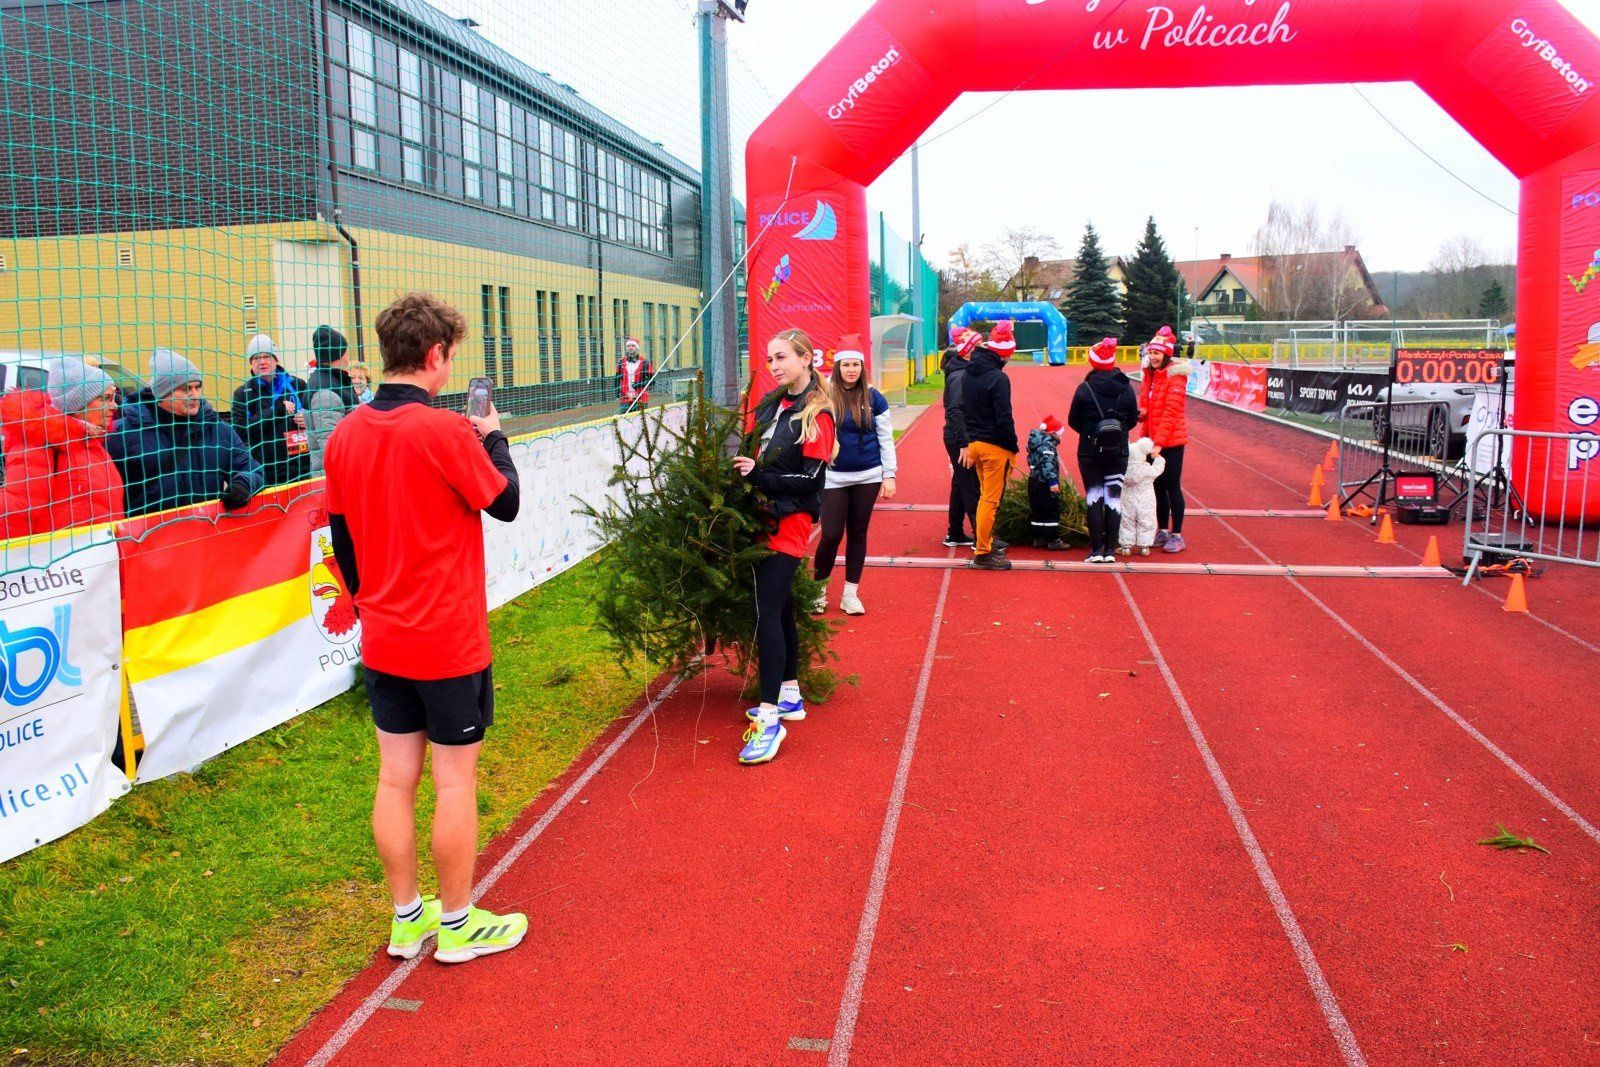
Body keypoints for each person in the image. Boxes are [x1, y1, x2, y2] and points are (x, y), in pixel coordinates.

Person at [323, 292, 525, 964]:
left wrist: (371, 603)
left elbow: (342, 540)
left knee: (393, 780)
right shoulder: (445, 432)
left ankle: (408, 918)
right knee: (454, 782)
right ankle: (459, 923)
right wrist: (493, 434)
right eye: (449, 359)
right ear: (435, 356)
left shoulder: (344, 434)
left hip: (385, 637)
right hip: (446, 638)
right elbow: (507, 501)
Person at [733, 328, 836, 766]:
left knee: (767, 615)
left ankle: (770, 722)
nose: (774, 366)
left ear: (806, 359)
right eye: (770, 358)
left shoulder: (819, 413)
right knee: (782, 611)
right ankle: (790, 694)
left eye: (782, 358)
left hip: (787, 524)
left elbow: (812, 481)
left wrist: (757, 474)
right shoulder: (776, 404)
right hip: (762, 517)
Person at [110, 349, 263, 517]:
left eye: (197, 387)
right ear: (163, 393)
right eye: (185, 389)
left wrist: (243, 484)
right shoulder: (122, 434)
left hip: (206, 531)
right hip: (150, 537)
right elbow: (109, 495)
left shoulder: (218, 429)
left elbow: (252, 469)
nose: (195, 395)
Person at [0, 356, 124, 537]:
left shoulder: (92, 442)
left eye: (113, 397)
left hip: (98, 558)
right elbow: (15, 512)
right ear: (78, 404)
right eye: (105, 398)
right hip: (63, 560)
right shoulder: (40, 444)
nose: (114, 405)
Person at [813, 346, 895, 616]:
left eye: (856, 365)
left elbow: (885, 437)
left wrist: (889, 475)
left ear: (862, 368)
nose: (851, 370)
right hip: (834, 477)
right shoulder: (824, 395)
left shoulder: (874, 397)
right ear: (837, 367)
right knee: (831, 534)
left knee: (858, 533)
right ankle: (818, 590)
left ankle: (850, 594)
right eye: (846, 365)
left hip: (868, 476)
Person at [1068, 337, 1139, 564]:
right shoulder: (1126, 388)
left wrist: (1090, 433)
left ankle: (1096, 550)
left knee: (1094, 498)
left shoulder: (1085, 388)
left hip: (1090, 452)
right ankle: (1111, 550)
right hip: (1118, 453)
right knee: (1114, 499)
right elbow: (1133, 419)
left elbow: (1073, 420)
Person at [961, 320, 1019, 571]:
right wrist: (1012, 446)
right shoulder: (998, 378)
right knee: (990, 501)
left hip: (976, 442)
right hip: (995, 446)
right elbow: (1004, 417)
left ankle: (986, 542)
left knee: (985, 497)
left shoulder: (969, 373)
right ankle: (983, 551)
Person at [1139, 325, 1193, 553]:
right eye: (1151, 353)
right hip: (1153, 441)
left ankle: (1177, 534)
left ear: (1167, 354)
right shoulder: (1150, 375)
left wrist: (1158, 444)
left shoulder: (1176, 378)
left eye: (1157, 353)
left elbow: (1171, 413)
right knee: (1157, 487)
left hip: (1170, 443)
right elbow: (1147, 403)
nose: (1153, 357)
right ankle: (1161, 530)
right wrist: (1140, 417)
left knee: (1172, 487)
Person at [231, 334, 311, 487]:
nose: (262, 362)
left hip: (300, 468)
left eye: (266, 357)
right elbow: (241, 431)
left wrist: (307, 419)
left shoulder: (297, 384)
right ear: (251, 363)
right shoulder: (243, 393)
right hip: (266, 472)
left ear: (276, 360)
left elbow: (315, 416)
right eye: (256, 358)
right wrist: (276, 410)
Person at [941, 328, 982, 548]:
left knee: (960, 484)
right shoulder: (960, 376)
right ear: (967, 351)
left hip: (959, 436)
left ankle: (955, 532)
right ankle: (981, 536)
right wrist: (965, 443)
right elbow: (955, 411)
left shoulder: (963, 371)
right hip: (959, 439)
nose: (981, 350)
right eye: (977, 347)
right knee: (971, 485)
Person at [306, 326, 358, 476]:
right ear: (340, 353)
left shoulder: (334, 382)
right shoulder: (325, 391)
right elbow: (332, 448)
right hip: (337, 478)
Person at [1025, 415, 1069, 551]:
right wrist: (1053, 481)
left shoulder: (1036, 442)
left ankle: (1038, 538)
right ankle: (1053, 539)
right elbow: (1047, 464)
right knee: (1051, 509)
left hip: (1034, 480)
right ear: (1054, 433)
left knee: (1037, 509)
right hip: (1044, 482)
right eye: (1060, 433)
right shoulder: (1048, 445)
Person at [1118, 436, 1166, 556]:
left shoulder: (1123, 470)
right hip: (1146, 501)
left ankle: (1126, 547)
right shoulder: (1148, 470)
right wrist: (1159, 458)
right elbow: (1159, 468)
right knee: (1146, 522)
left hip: (1127, 500)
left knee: (1126, 522)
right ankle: (1145, 547)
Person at [617, 337, 652, 414]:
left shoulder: (645, 363)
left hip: (641, 398)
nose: (630, 348)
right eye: (628, 346)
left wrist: (640, 384)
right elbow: (617, 378)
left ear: (637, 347)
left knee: (642, 420)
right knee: (625, 420)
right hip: (625, 398)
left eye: (633, 346)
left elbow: (652, 381)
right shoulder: (621, 362)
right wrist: (617, 391)